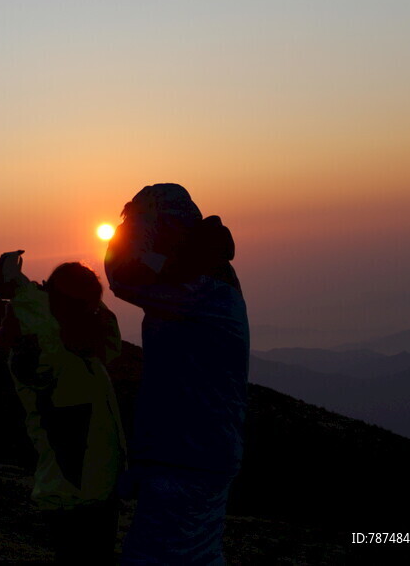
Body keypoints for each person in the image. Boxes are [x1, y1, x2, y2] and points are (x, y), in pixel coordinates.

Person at [104, 183, 250, 565]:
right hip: (194, 450)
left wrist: (136, 222)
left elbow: (121, 274)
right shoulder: (199, 274)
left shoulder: (197, 285)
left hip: (189, 455)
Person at [0, 250, 126, 565]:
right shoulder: (45, 354)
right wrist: (24, 290)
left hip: (95, 490)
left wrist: (69, 297)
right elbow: (44, 326)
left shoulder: (85, 352)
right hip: (74, 496)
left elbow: (110, 335)